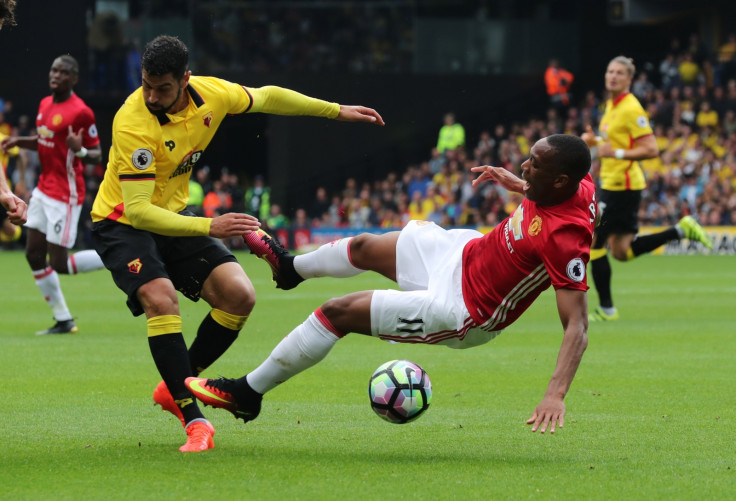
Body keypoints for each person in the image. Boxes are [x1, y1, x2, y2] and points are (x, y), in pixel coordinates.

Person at [186, 134, 595, 435]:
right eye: (529, 158)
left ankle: (247, 393)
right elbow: (553, 196)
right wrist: (520, 184)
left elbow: (576, 325)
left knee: (337, 312)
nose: (525, 166)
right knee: (363, 246)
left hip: (464, 307)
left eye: (535, 166)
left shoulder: (565, 239)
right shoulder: (568, 183)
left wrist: (555, 394)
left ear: (561, 181)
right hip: (462, 253)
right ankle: (291, 269)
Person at [89, 35, 384, 453]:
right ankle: (194, 418)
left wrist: (335, 111)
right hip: (121, 221)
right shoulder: (133, 121)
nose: (152, 96)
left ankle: (175, 384)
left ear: (185, 79)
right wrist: (210, 225)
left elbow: (268, 97)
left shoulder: (212, 94)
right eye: (147, 85)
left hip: (171, 215)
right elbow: (138, 212)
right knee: (161, 298)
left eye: (163, 88)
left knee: (238, 295)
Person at [581, 56, 712, 322]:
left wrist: (612, 151)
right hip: (612, 182)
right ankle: (681, 229)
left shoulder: (631, 108)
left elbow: (651, 149)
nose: (613, 76)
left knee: (594, 242)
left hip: (622, 186)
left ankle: (607, 309)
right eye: (610, 71)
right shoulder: (611, 106)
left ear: (630, 79)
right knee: (622, 252)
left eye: (619, 73)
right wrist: (596, 142)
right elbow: (613, 142)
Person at [1, 55, 105, 335]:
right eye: (53, 70)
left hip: (66, 195)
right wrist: (18, 141)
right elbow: (46, 140)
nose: (55, 75)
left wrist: (79, 149)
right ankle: (64, 319)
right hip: (44, 189)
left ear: (73, 78)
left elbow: (97, 154)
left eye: (62, 72)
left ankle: (113, 256)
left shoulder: (81, 112)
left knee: (60, 263)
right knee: (34, 254)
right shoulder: (45, 104)